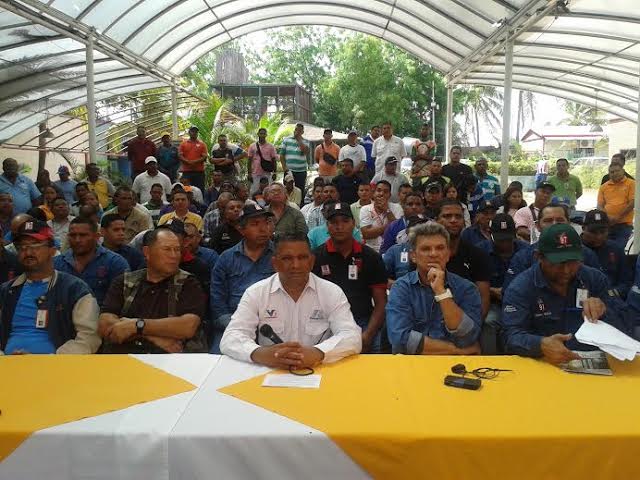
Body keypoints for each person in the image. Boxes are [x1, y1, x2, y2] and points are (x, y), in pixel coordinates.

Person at [220, 232, 362, 367]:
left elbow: (352, 335)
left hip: (318, 369)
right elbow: (231, 336)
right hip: (270, 369)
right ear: (274, 263)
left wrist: (319, 353)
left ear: (312, 261)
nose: (296, 265)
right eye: (287, 258)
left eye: (302, 257)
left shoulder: (331, 292)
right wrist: (260, 353)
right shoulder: (256, 293)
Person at [501, 223, 632, 363]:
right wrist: (540, 344)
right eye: (558, 263)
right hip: (543, 364)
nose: (566, 270)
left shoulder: (595, 279)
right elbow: (510, 336)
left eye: (573, 262)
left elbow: (625, 326)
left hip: (592, 362)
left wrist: (605, 311)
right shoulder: (521, 288)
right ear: (538, 256)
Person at [0, 220, 100, 354]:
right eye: (22, 247)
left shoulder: (75, 289)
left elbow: (89, 337)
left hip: (57, 368)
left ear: (53, 250)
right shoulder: (6, 291)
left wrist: (50, 361)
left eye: (35, 245)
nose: (28, 252)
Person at [99, 228, 206, 354]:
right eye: (167, 249)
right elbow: (104, 325)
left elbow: (188, 326)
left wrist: (135, 326)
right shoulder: (124, 282)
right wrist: (151, 336)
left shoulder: (189, 283)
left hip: (171, 361)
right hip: (125, 358)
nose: (174, 256)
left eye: (177, 250)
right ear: (147, 252)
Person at [386, 222, 482, 355]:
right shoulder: (401, 288)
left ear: (448, 254)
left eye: (440, 248)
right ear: (413, 256)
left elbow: (468, 337)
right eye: (426, 249)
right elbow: (400, 339)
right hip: (413, 364)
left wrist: (441, 292)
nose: (433, 254)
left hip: (455, 366)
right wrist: (455, 350)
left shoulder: (467, 288)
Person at [313, 202, 387, 353]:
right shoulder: (315, 257)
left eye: (345, 221)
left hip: (363, 321)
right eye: (334, 222)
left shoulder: (371, 257)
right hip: (325, 323)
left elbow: (381, 303)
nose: (339, 226)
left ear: (354, 224)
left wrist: (368, 335)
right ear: (327, 226)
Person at [210, 204, 276, 353]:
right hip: (233, 324)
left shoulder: (280, 256)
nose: (263, 229)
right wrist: (238, 327)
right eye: (255, 224)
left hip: (273, 324)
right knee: (218, 362)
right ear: (241, 229)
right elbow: (218, 303)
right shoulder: (226, 259)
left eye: (266, 223)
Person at [503, 204, 602, 292]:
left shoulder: (586, 254)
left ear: (569, 223)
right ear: (537, 226)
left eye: (560, 220)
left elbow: (601, 288)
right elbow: (510, 293)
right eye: (548, 221)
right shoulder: (523, 257)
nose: (554, 224)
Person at [54, 217, 129, 306]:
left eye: (83, 235)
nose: (77, 240)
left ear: (96, 237)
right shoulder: (56, 263)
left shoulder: (115, 263)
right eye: (73, 235)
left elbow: (124, 300)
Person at [437, 199, 491, 319]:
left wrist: (472, 330)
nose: (453, 220)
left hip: (466, 321)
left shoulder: (478, 255)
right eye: (447, 216)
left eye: (458, 216)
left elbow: (483, 299)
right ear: (437, 220)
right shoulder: (427, 255)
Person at [485, 213, 528, 329]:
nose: (504, 243)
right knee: (489, 321)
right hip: (494, 303)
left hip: (522, 302)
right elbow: (471, 283)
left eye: (508, 239)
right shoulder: (480, 251)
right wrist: (492, 291)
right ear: (490, 234)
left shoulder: (526, 251)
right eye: (500, 240)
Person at [580, 209, 632, 299]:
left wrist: (610, 294)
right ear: (583, 228)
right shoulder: (575, 249)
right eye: (593, 232)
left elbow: (626, 282)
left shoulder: (616, 249)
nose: (599, 236)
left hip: (612, 299)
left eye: (603, 232)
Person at [598, 162, 635, 250]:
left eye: (617, 171)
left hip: (624, 225)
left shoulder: (632, 183)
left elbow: (632, 203)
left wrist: (617, 217)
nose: (615, 173)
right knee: (605, 248)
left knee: (618, 248)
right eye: (612, 172)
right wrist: (607, 217)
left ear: (623, 171)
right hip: (607, 224)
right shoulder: (604, 187)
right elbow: (600, 205)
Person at [360, 180, 403, 253]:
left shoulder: (397, 208)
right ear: (373, 193)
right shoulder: (365, 209)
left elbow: (397, 232)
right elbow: (366, 234)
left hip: (391, 250)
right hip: (371, 250)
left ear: (389, 195)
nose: (381, 194)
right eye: (379, 190)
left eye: (385, 192)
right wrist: (389, 226)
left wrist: (387, 210)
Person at [280, 123, 310, 194]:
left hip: (301, 171)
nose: (297, 131)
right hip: (289, 171)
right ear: (294, 130)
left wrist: (299, 140)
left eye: (300, 130)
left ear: (302, 132)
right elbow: (282, 155)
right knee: (287, 190)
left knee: (300, 191)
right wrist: (285, 169)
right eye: (296, 129)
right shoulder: (286, 140)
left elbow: (305, 152)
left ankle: (299, 205)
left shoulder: (306, 141)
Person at [247, 127, 278, 193]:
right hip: (255, 173)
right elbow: (249, 160)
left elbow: (274, 160)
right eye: (261, 133)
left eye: (264, 134)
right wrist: (249, 173)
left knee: (268, 191)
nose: (262, 135)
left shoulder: (271, 146)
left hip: (267, 173)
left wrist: (275, 173)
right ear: (258, 134)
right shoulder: (252, 146)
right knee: (254, 191)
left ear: (266, 135)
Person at [178, 126, 208, 192]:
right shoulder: (183, 144)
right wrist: (187, 161)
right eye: (192, 131)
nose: (194, 133)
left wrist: (194, 161)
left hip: (199, 172)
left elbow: (204, 156)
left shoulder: (202, 144)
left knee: (199, 190)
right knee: (187, 190)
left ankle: (199, 202)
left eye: (196, 132)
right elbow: (180, 156)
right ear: (189, 132)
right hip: (187, 172)